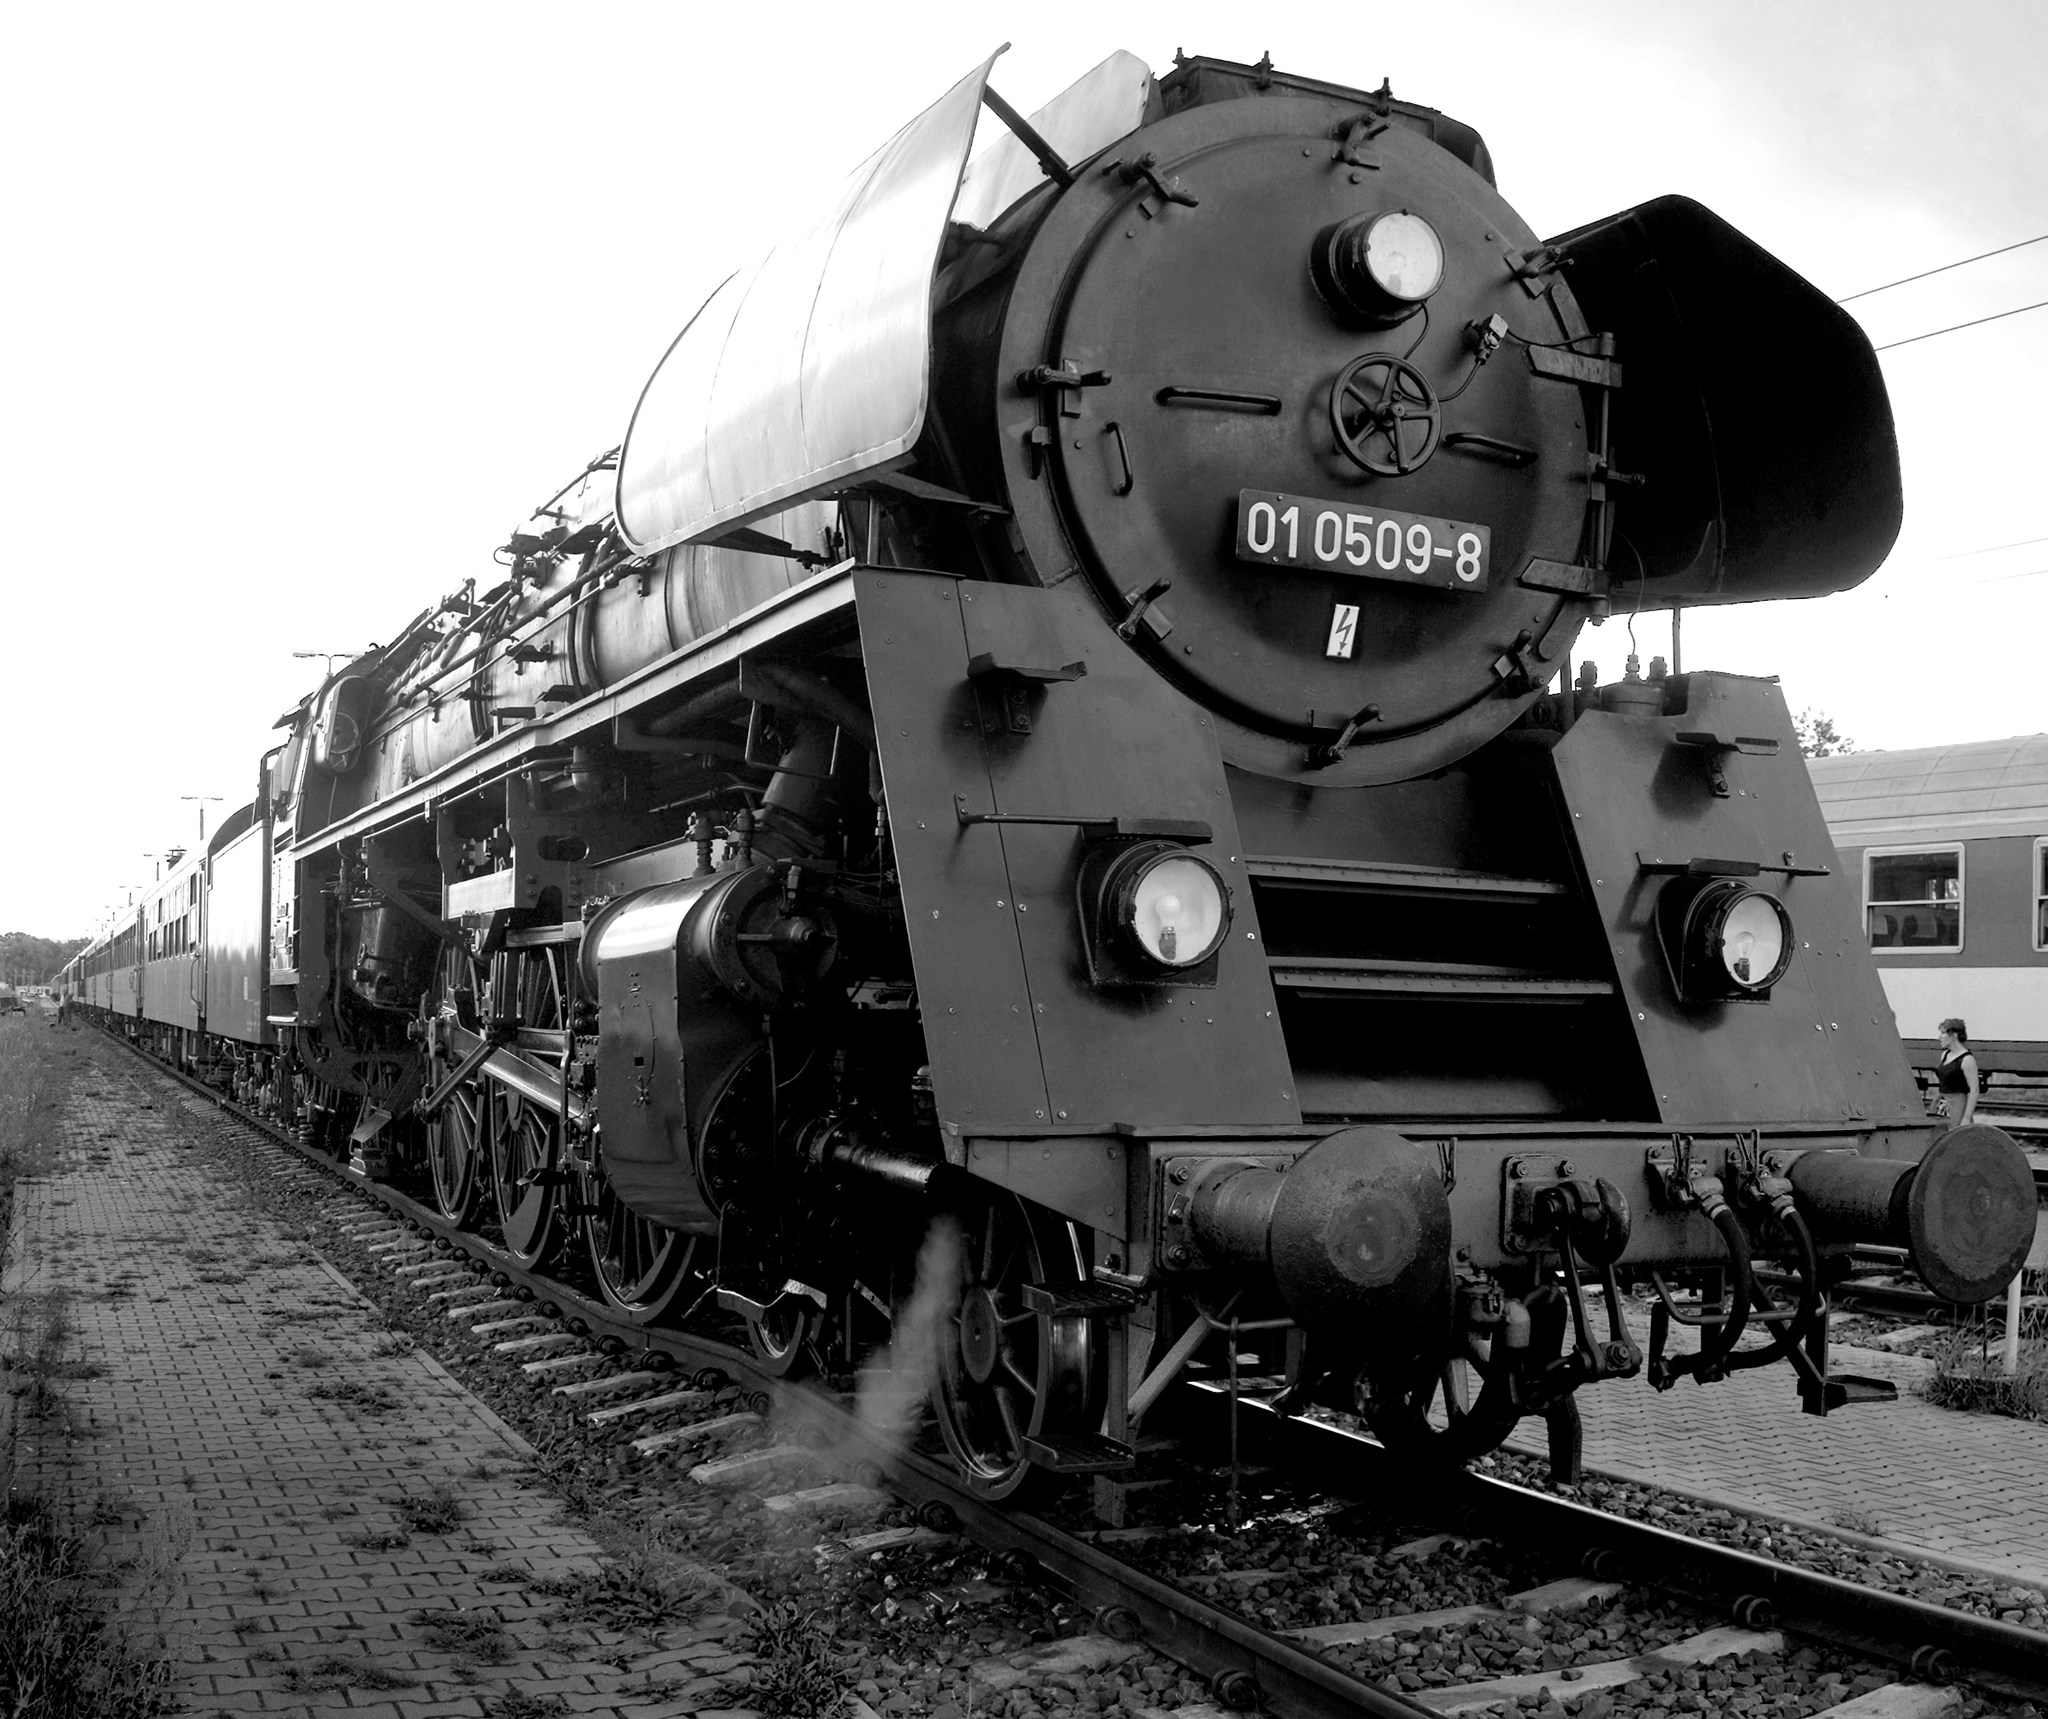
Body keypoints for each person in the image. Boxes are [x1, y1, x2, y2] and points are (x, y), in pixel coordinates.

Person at [1936, 1017, 1978, 1126]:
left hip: (1958, 1107)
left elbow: (1974, 1090)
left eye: (1943, 1033)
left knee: (1955, 1134)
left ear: (1954, 1035)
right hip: (1942, 1104)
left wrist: (1966, 1117)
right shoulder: (1945, 1055)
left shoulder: (1967, 1060)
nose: (1940, 1037)